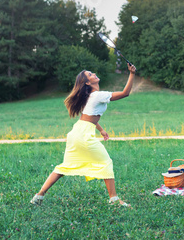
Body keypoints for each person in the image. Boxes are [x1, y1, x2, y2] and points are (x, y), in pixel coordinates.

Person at [30, 63, 137, 207]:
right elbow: (125, 93)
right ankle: (114, 200)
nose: (94, 74)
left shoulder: (91, 97)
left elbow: (88, 116)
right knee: (105, 162)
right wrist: (132, 74)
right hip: (83, 135)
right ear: (87, 82)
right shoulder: (98, 95)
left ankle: (39, 196)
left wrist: (100, 129)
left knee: (65, 166)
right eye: (90, 74)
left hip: (77, 132)